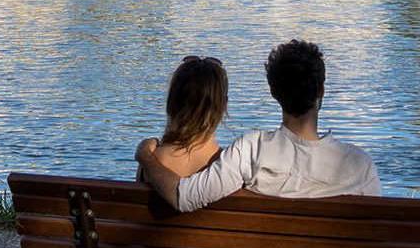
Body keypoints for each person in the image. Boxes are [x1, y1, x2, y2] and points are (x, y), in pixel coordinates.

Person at [136, 39, 378, 212]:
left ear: (273, 92)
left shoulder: (251, 151)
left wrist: (146, 157)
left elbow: (184, 197)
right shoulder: (360, 165)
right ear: (322, 90)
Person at [139, 56, 228, 182]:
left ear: (171, 103)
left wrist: (145, 156)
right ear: (223, 106)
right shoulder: (229, 168)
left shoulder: (151, 161)